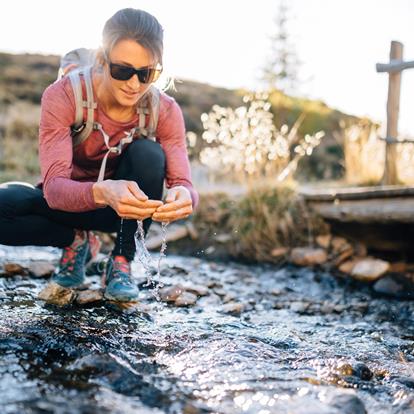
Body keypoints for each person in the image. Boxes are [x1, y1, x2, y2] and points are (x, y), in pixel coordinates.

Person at [0, 8, 198, 302]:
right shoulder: (64, 95)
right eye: (123, 71)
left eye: (147, 74)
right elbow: (54, 190)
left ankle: (121, 261)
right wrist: (104, 191)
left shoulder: (165, 110)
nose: (134, 84)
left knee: (149, 153)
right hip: (68, 203)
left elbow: (185, 184)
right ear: (102, 60)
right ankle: (76, 241)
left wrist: (185, 196)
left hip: (123, 214)